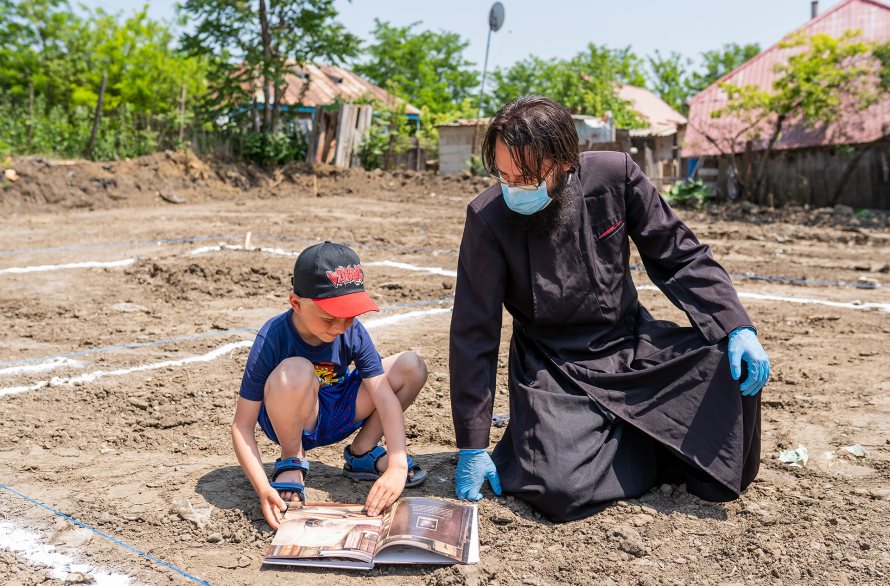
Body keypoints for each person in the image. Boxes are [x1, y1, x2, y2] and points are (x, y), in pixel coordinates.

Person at [449, 96, 770, 522]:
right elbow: (475, 331)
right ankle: (649, 438)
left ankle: (629, 435)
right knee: (557, 488)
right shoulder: (487, 217)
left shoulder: (616, 175)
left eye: (526, 177)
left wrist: (736, 326)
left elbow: (679, 255)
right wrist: (472, 442)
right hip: (554, 363)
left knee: (729, 370)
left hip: (631, 344)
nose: (513, 189)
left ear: (565, 162)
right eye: (504, 175)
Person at [232, 241, 428, 529]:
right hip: (293, 419)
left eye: (349, 316)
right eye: (329, 317)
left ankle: (363, 452)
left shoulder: (352, 331)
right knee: (295, 370)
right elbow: (242, 425)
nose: (340, 327)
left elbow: (384, 397)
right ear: (296, 304)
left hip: (337, 409)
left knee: (411, 365)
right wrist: (263, 488)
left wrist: (398, 462)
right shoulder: (273, 336)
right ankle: (291, 458)